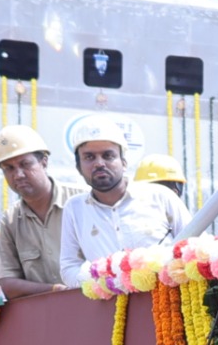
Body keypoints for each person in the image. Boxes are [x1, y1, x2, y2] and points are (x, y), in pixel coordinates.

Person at [58, 115, 187, 284]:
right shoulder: (75, 208)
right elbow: (69, 265)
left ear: (124, 162)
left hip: (167, 301)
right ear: (78, 167)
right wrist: (99, 285)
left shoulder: (161, 197)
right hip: (107, 306)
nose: (99, 163)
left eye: (108, 155)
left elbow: (193, 246)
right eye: (89, 157)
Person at [0, 125, 76, 296]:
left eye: (25, 164)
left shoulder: (81, 201)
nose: (18, 174)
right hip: (44, 317)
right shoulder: (11, 220)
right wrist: (54, 291)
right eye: (9, 168)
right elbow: (8, 282)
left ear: (44, 161)